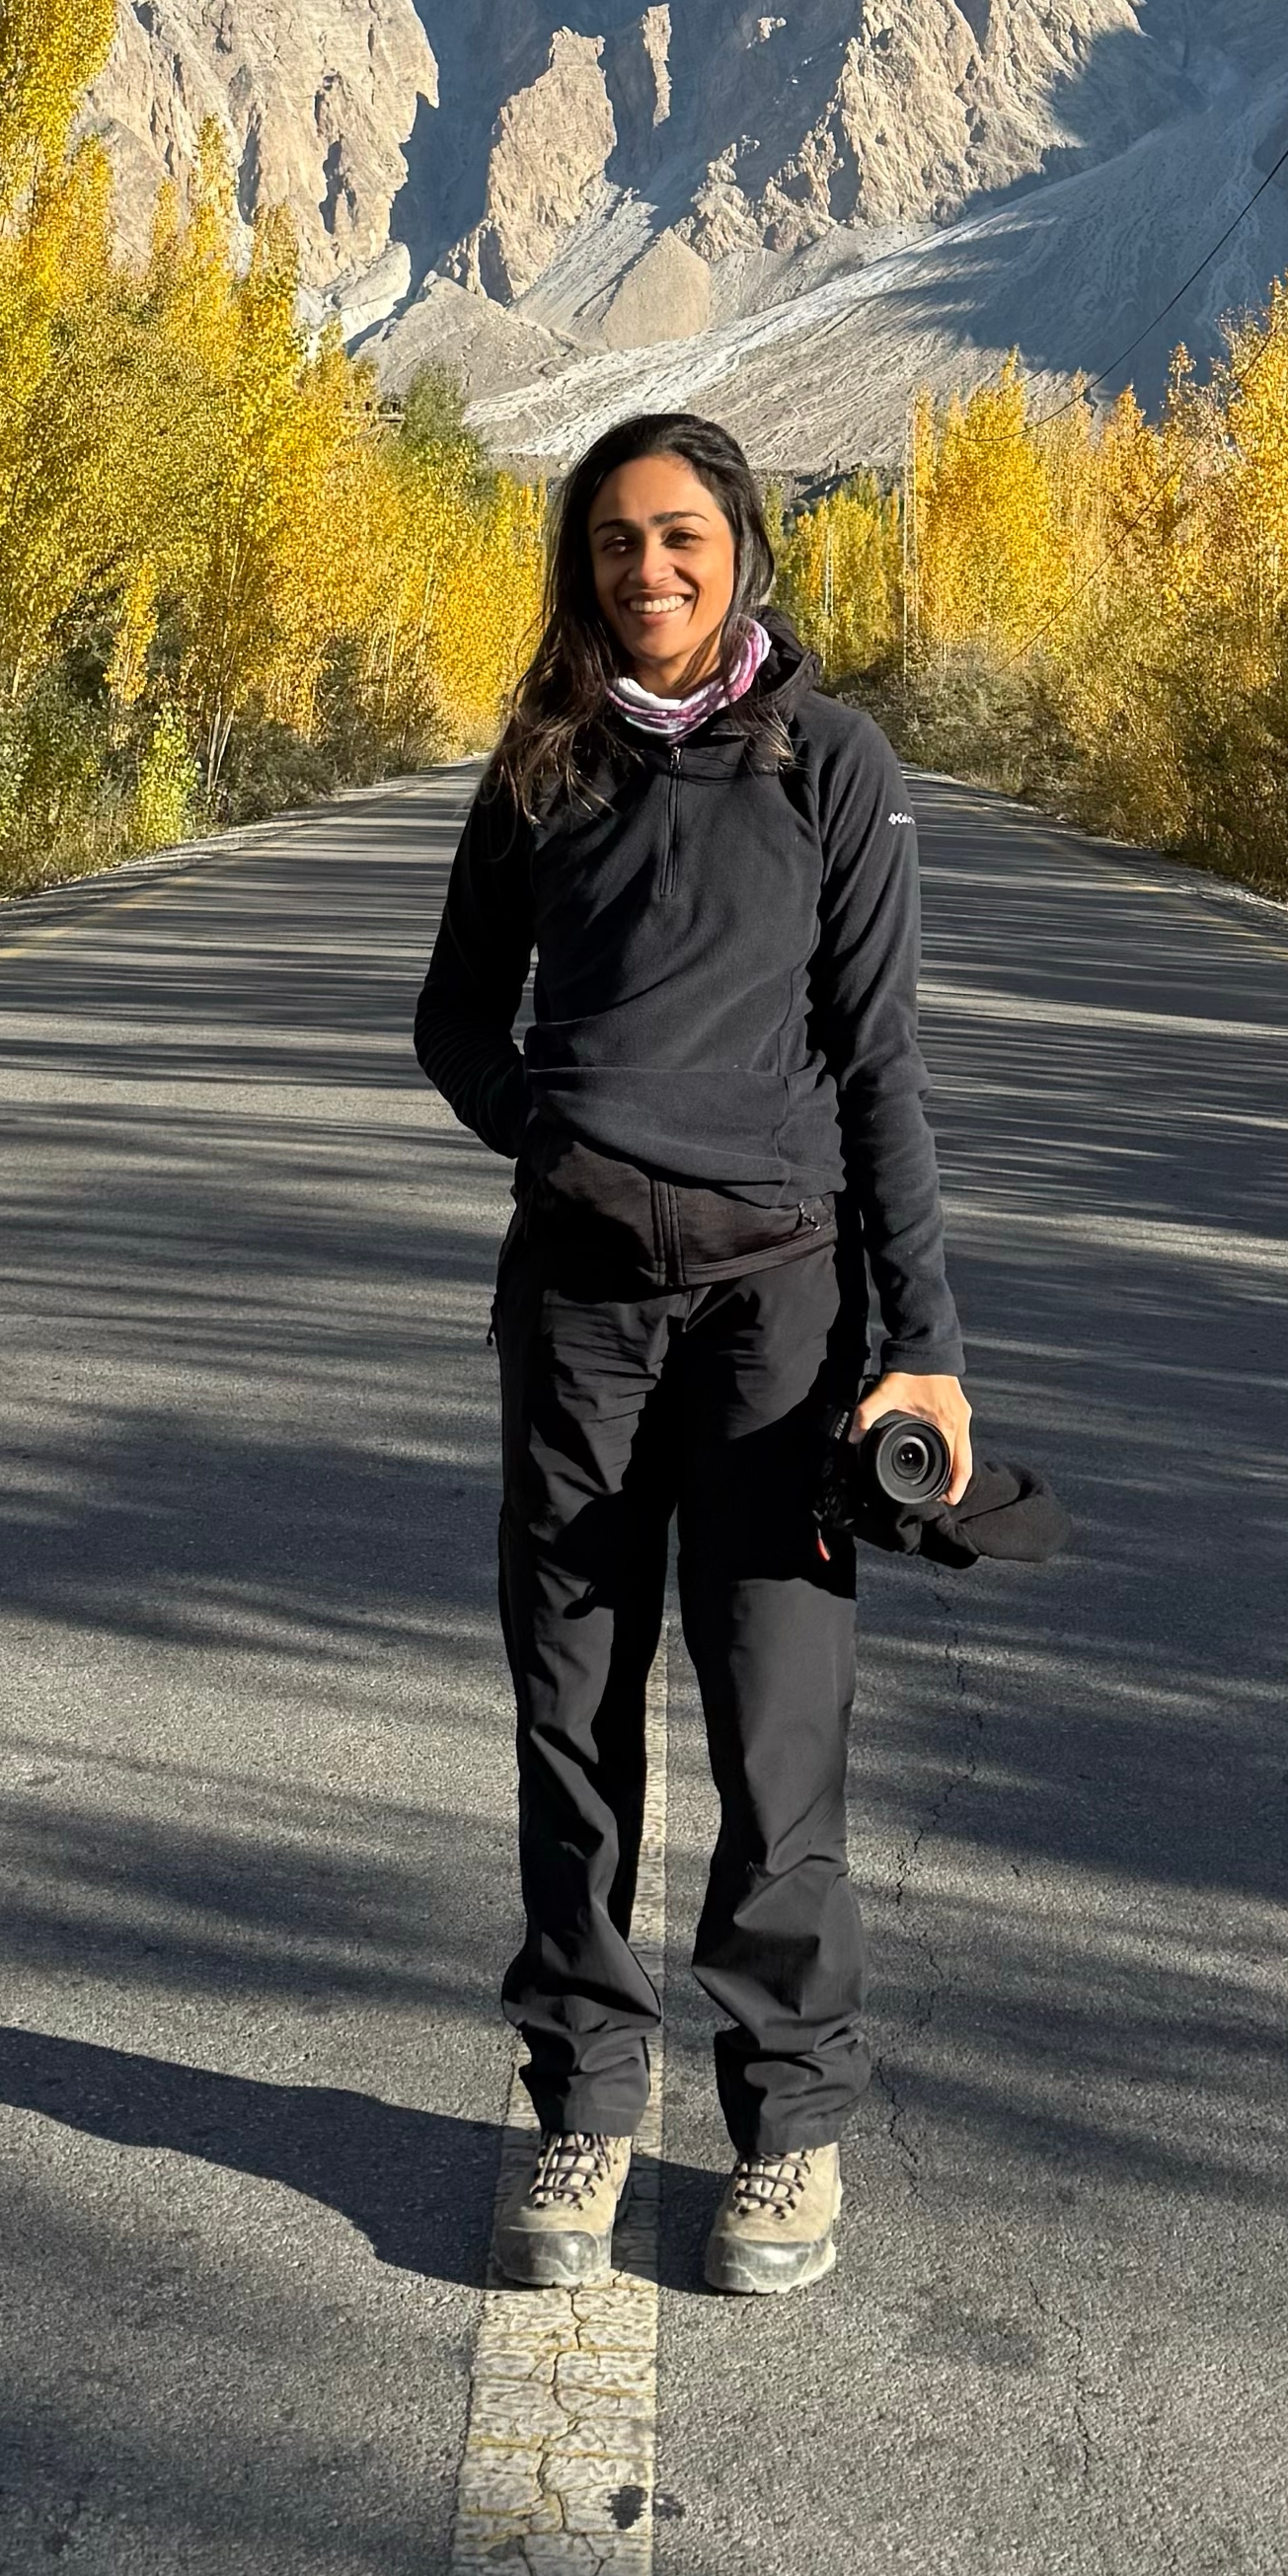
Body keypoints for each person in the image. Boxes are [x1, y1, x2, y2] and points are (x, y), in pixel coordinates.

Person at [412, 407, 970, 2305]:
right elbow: (452, 1018)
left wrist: (930, 1351)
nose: (645, 571)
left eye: (678, 537)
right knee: (571, 1716)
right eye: (611, 545)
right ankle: (581, 2098)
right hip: (574, 1309)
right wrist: (559, 1133)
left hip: (778, 1322)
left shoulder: (831, 764)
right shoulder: (545, 766)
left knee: (774, 1723)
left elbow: (881, 1068)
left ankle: (785, 2128)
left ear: (739, 545)